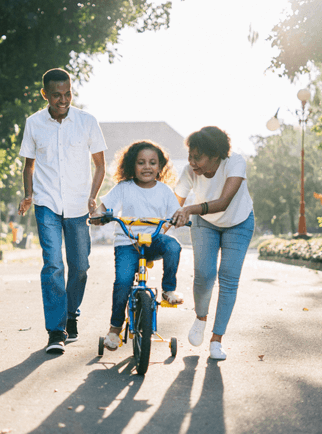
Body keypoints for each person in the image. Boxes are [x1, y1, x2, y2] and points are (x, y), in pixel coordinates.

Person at [18, 68, 107, 354]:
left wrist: (93, 197)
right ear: (45, 94)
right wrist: (29, 195)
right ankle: (56, 331)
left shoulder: (87, 121)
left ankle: (71, 315)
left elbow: (100, 165)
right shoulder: (33, 123)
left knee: (80, 267)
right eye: (56, 95)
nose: (63, 99)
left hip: (79, 205)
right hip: (46, 204)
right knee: (54, 265)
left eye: (67, 94)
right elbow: (29, 165)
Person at [91, 140, 183, 351]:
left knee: (174, 247)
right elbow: (104, 207)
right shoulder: (124, 188)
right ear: (132, 165)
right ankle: (115, 329)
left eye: (152, 162)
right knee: (123, 281)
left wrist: (179, 218)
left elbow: (175, 213)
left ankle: (169, 290)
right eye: (141, 162)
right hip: (127, 242)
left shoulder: (165, 191)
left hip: (153, 241)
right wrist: (99, 215)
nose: (147, 167)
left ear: (160, 167)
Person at [172, 126, 254, 360]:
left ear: (216, 155)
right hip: (205, 223)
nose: (192, 162)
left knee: (228, 278)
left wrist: (189, 209)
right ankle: (200, 318)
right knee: (204, 275)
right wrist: (158, 229)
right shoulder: (190, 171)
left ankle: (217, 340)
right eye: (190, 156)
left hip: (238, 222)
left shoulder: (235, 163)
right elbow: (173, 204)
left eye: (198, 157)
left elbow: (224, 201)